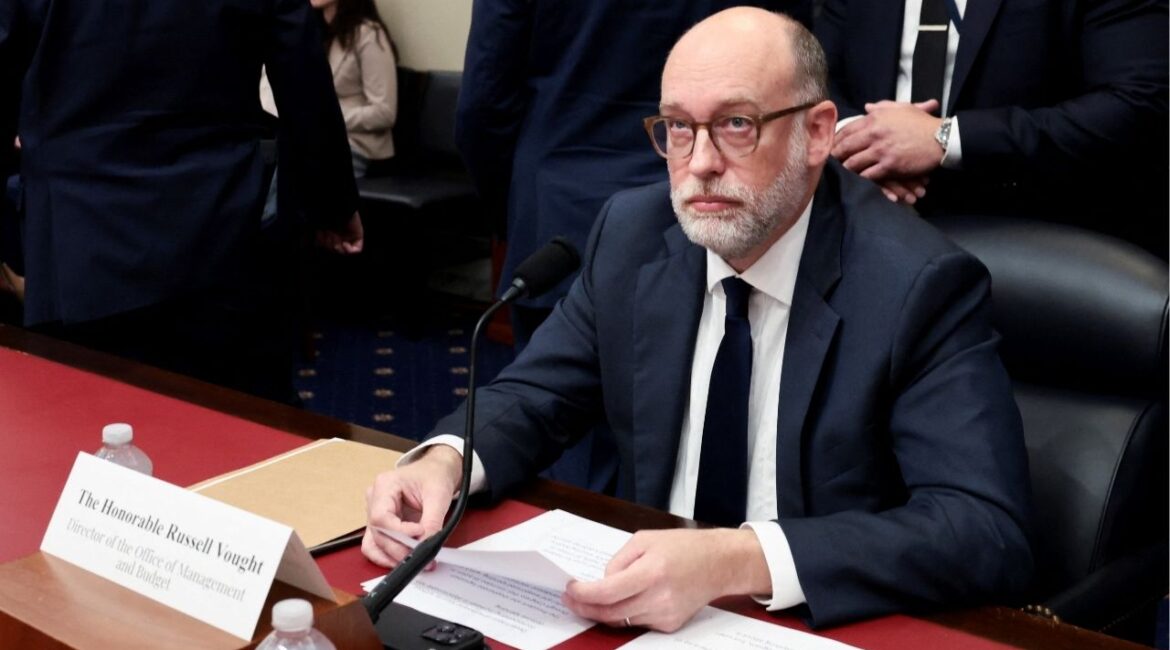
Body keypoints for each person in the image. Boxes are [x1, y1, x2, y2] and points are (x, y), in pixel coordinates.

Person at [364, 8, 1032, 632]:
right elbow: (536, 395)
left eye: (737, 124)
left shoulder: (916, 284)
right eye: (678, 128)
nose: (701, 162)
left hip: (806, 622)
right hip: (643, 618)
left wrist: (740, 558)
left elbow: (982, 529)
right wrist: (447, 463)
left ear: (818, 132)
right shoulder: (634, 234)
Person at [455, 0, 812, 492]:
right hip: (705, 195)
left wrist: (513, 211)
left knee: (575, 466)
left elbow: (483, 103)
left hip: (570, 194)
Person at [0, 0, 363, 402]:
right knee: (237, 424)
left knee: (88, 423)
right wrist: (334, 205)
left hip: (79, 234)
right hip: (218, 226)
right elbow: (303, 80)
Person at [817, 0, 1169, 256]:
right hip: (863, 236)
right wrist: (864, 141)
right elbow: (814, 72)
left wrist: (947, 140)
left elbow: (1137, 102)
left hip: (1037, 246)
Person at [260, 0, 397, 223]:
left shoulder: (368, 33)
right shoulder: (309, 35)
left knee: (289, 165)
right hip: (314, 138)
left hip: (359, 145)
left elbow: (384, 111)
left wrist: (327, 119)